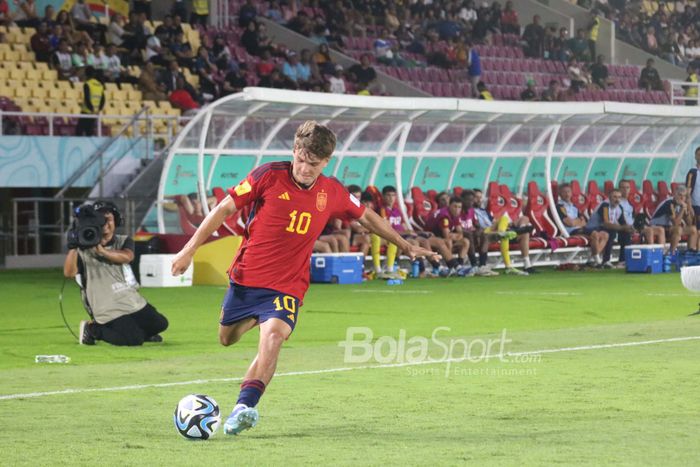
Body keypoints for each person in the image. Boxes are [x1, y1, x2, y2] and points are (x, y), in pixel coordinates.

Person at [170, 121, 436, 436]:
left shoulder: (332, 191)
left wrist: (405, 245)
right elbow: (224, 210)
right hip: (247, 278)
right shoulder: (267, 176)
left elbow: (366, 216)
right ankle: (260, 320)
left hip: (288, 285)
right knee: (226, 338)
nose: (306, 168)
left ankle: (244, 407)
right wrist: (188, 251)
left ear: (326, 162)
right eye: (302, 159)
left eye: (314, 164)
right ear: (295, 150)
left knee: (273, 338)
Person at [63, 201, 168, 346]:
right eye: (100, 220)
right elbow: (69, 273)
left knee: (161, 324)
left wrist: (102, 251)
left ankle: (139, 332)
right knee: (134, 340)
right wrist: (73, 247)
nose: (105, 223)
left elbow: (127, 257)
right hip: (105, 306)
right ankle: (93, 329)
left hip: (129, 300)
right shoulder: (83, 246)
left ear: (116, 221)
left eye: (109, 219)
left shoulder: (123, 240)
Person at [557, 183, 609, 266]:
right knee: (595, 234)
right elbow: (569, 223)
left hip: (581, 228)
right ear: (560, 194)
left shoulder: (574, 206)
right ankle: (597, 261)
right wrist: (577, 221)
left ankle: (592, 259)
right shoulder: (559, 206)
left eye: (568, 192)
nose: (567, 194)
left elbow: (584, 221)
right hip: (570, 231)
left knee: (605, 234)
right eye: (564, 192)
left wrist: (575, 221)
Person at [585, 189, 633, 268]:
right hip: (592, 228)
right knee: (611, 231)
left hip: (604, 229)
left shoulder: (619, 207)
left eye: (619, 197)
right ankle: (606, 260)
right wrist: (622, 228)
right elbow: (606, 224)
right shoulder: (605, 205)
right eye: (614, 197)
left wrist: (630, 229)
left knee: (626, 234)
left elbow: (623, 223)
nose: (617, 200)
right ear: (609, 197)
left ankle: (622, 261)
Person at [651, 185, 698, 254]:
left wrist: (687, 212)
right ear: (675, 194)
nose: (682, 198)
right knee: (678, 229)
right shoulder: (669, 203)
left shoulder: (681, 204)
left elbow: (690, 223)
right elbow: (675, 223)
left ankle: (690, 253)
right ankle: (671, 253)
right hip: (657, 226)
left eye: (684, 196)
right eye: (680, 195)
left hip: (668, 227)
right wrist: (682, 210)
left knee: (693, 229)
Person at [76, 66, 105, 137]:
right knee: (89, 132)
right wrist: (98, 109)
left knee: (79, 132)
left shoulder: (87, 84)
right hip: (95, 113)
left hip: (86, 112)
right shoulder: (100, 85)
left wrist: (91, 109)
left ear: (86, 74)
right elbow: (103, 100)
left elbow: (87, 98)